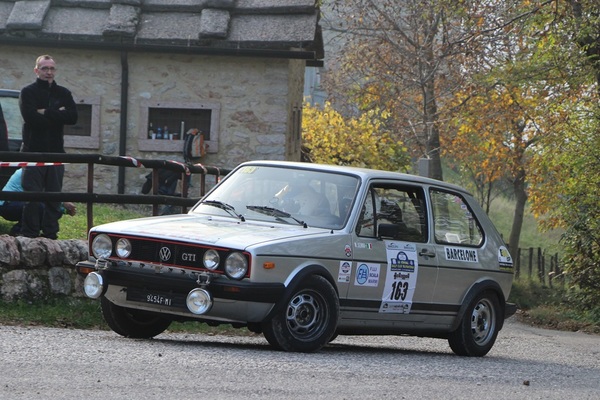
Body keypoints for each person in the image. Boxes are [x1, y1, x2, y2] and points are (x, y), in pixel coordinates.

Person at [19, 54, 77, 239]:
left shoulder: (64, 93)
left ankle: (51, 235)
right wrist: (57, 116)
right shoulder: (27, 92)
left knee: (54, 196)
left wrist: (46, 112)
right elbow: (31, 118)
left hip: (56, 152)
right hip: (32, 151)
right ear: (37, 70)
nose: (49, 72)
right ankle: (29, 235)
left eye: (52, 68)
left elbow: (73, 117)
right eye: (45, 68)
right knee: (32, 197)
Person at [0, 168, 76, 236]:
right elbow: (42, 195)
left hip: (17, 203)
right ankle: (18, 230)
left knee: (51, 210)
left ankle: (30, 230)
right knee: (39, 207)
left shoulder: (40, 173)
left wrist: (62, 209)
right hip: (7, 204)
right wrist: (63, 203)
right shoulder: (29, 172)